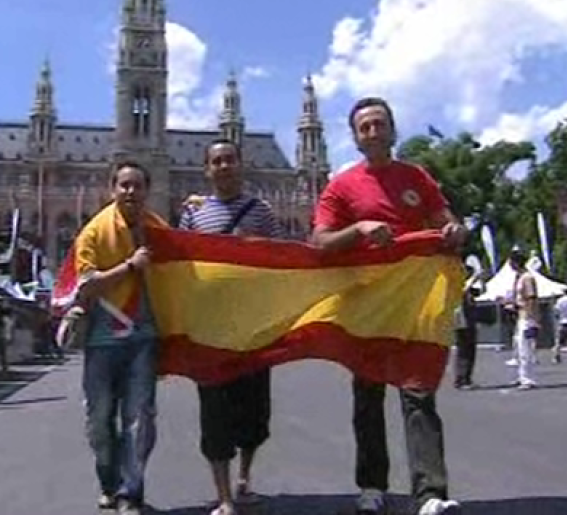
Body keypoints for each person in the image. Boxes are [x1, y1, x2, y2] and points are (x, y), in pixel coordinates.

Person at [311, 97, 467, 515]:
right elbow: (319, 241)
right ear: (356, 138)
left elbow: (449, 225)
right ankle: (371, 485)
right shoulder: (341, 186)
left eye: (380, 124)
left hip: (413, 304)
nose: (374, 132)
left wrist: (453, 231)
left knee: (419, 394)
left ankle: (431, 493)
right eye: (365, 127)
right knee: (368, 396)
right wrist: (358, 230)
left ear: (393, 130)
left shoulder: (417, 176)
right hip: (365, 306)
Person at [177, 138, 284, 515]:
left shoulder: (262, 211)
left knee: (255, 411)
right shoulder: (194, 214)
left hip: (254, 327)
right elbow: (181, 265)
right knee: (215, 411)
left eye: (229, 160)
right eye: (216, 161)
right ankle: (223, 497)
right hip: (211, 329)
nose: (223, 166)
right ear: (206, 169)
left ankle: (244, 479)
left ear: (241, 165)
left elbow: (283, 261)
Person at [55, 161, 167, 515]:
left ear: (147, 190)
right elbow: (85, 287)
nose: (131, 191)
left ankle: (129, 493)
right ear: (113, 189)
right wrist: (130, 266)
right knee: (100, 420)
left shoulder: (158, 228)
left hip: (143, 340)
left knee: (140, 418)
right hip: (103, 341)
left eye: (137, 185)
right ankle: (109, 481)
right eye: (124, 185)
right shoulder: (94, 231)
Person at [509, 249, 539, 389]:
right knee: (519, 348)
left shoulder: (527, 278)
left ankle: (528, 379)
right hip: (520, 315)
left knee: (526, 348)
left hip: (527, 316)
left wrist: (532, 318)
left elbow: (531, 298)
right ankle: (521, 376)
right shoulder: (519, 277)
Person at [454, 265, 484, 389]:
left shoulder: (468, 289)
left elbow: (481, 291)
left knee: (471, 350)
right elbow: (463, 289)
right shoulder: (457, 286)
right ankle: (461, 380)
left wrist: (480, 280)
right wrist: (474, 277)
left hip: (470, 321)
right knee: (463, 351)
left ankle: (467, 378)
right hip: (461, 322)